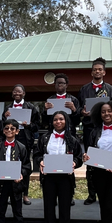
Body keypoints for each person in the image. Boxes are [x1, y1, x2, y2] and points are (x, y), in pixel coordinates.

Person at [34, 111, 83, 223]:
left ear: (66, 121)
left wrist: (74, 163)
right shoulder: (45, 138)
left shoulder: (72, 139)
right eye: (55, 119)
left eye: (61, 119)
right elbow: (37, 155)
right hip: (49, 177)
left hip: (65, 178)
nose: (58, 122)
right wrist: (40, 161)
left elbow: (78, 157)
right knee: (49, 208)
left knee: (64, 208)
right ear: (52, 122)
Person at [79, 57, 112, 205]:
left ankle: (107, 191)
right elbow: (78, 107)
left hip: (107, 129)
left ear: (104, 72)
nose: (97, 71)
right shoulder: (84, 89)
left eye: (100, 69)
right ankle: (92, 194)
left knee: (107, 159)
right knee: (91, 161)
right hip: (90, 129)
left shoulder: (111, 90)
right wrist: (82, 112)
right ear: (91, 72)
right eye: (95, 69)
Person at [41, 73, 80, 206]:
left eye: (62, 83)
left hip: (69, 136)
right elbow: (45, 121)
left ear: (66, 85)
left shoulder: (73, 99)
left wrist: (74, 110)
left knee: (68, 165)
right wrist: (45, 110)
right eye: (57, 83)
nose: (60, 85)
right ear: (55, 85)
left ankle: (69, 195)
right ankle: (51, 196)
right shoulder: (49, 99)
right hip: (53, 135)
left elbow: (77, 120)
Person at [2, 84, 40, 205]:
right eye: (14, 92)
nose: (17, 94)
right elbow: (2, 125)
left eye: (19, 92)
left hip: (25, 138)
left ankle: (25, 194)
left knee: (25, 166)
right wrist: (4, 117)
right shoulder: (8, 108)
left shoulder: (31, 107)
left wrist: (28, 125)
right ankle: (9, 194)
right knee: (9, 164)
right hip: (10, 137)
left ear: (24, 93)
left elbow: (37, 125)